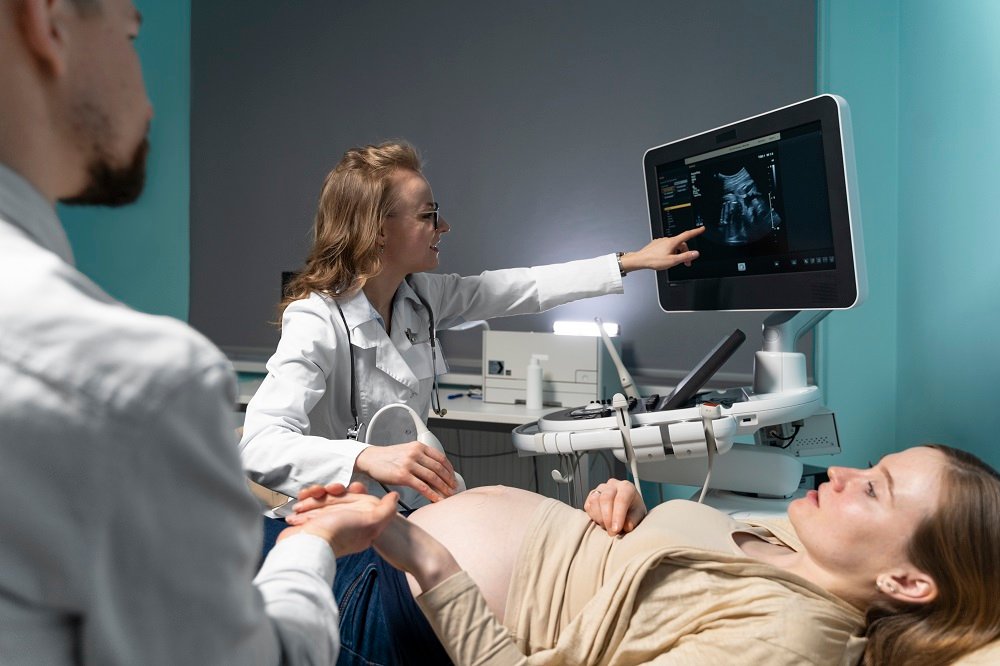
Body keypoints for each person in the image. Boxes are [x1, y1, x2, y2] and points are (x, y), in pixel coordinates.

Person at [0, 1, 396, 663]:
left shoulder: (426, 302)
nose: (151, 100)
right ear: (49, 22)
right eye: (131, 35)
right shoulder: (134, 385)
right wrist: (312, 544)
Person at [239, 141, 705, 509]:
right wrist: (366, 457)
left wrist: (631, 261)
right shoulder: (316, 318)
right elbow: (259, 445)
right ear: (378, 230)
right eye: (428, 215)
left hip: (415, 505)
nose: (444, 226)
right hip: (347, 511)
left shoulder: (421, 296)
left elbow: (522, 287)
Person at [287, 444, 1000, 666]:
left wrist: (429, 559)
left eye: (872, 489)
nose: (840, 474)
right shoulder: (795, 543)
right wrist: (627, 512)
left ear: (907, 581)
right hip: (385, 556)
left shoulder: (787, 643)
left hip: (392, 612)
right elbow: (653, 586)